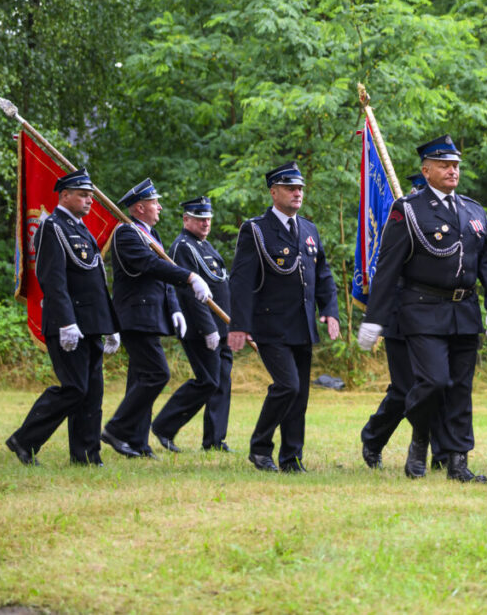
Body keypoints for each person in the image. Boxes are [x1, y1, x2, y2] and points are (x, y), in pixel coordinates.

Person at [357, 134, 487, 484]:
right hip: (422, 310)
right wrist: (374, 318)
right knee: (434, 381)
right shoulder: (407, 210)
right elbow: (389, 266)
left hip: (464, 311)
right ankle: (420, 437)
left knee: (460, 389)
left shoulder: (473, 210)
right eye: (444, 165)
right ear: (426, 170)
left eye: (455, 165)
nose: (452, 171)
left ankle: (458, 462)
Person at [228, 161, 340, 473]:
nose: (297, 193)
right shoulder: (256, 230)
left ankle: (292, 458)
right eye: (290, 188)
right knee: (287, 386)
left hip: (302, 325)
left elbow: (323, 276)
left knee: (300, 395)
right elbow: (241, 280)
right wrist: (239, 324)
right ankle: (260, 448)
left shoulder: (309, 229)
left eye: (300, 188)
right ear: (273, 191)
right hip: (271, 324)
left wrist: (330, 311)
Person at [6, 169, 120, 466]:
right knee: (74, 388)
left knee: (92, 392)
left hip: (93, 324)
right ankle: (24, 440)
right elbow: (52, 280)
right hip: (68, 325)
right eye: (82, 195)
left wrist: (110, 325)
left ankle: (86, 455)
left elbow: (96, 283)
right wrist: (66, 322)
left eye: (90, 196)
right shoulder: (51, 228)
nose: (89, 201)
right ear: (64, 195)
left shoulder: (82, 230)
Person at [102, 179, 213, 459]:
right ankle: (117, 429)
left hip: (150, 315)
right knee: (157, 373)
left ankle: (137, 442)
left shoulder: (149, 234)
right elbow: (151, 266)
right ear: (140, 207)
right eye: (154, 202)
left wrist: (174, 307)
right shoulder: (127, 233)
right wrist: (189, 277)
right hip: (135, 314)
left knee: (141, 377)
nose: (159, 207)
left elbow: (163, 278)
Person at [359, 171, 445, 471]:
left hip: (433, 319)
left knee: (438, 384)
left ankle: (441, 451)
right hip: (400, 321)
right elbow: (387, 273)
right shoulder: (402, 220)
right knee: (405, 388)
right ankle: (373, 438)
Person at [150, 197, 233, 453]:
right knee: (207, 380)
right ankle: (164, 426)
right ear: (186, 220)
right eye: (199, 218)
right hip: (201, 329)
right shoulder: (182, 247)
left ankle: (215, 440)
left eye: (208, 218)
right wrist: (207, 328)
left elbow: (220, 286)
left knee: (221, 382)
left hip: (223, 327)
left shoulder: (206, 246)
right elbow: (188, 293)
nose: (205, 223)